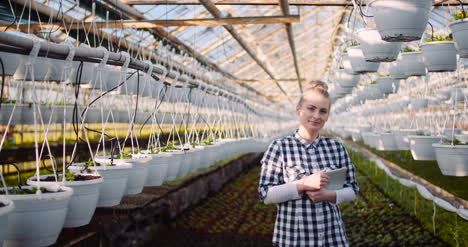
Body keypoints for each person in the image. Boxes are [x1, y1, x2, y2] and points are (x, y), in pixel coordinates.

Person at [258, 80, 359, 247]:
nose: (316, 116)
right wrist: (303, 183)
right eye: (311, 109)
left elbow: (353, 189)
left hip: (332, 238)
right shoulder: (280, 147)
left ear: (327, 115)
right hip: (293, 239)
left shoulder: (336, 147)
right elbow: (266, 194)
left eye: (323, 111)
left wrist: (330, 195)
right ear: (299, 110)